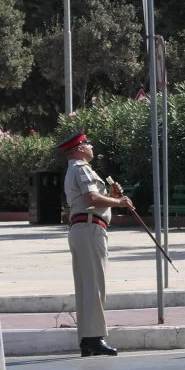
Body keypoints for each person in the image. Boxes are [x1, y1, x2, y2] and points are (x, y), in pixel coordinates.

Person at [59, 131, 134, 357]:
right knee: (94, 285)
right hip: (90, 229)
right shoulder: (81, 167)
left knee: (85, 286)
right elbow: (92, 199)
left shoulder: (74, 169)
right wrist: (119, 202)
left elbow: (93, 199)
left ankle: (87, 339)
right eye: (88, 143)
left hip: (82, 228)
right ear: (80, 148)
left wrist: (110, 197)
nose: (92, 147)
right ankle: (94, 338)